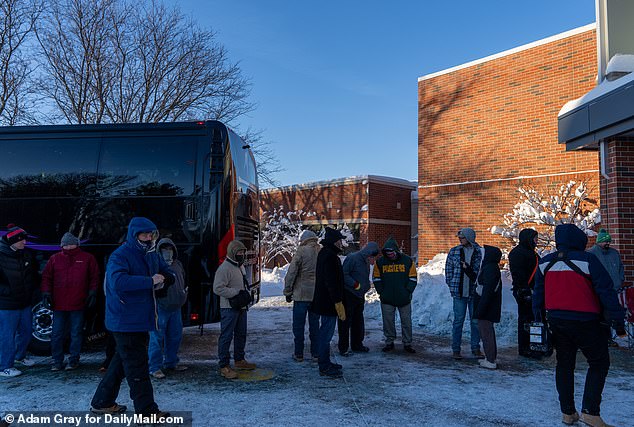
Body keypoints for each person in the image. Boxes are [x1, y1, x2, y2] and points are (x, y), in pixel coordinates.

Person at [533, 224, 626, 427]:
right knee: (599, 363)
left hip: (557, 321)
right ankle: (590, 412)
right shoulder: (588, 260)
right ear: (579, 240)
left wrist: (538, 319)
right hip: (587, 322)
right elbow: (606, 291)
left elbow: (538, 295)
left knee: (564, 365)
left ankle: (568, 412)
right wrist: (618, 321)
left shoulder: (545, 262)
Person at [91, 217, 174, 416]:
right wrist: (149, 281)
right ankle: (147, 412)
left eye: (151, 234)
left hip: (140, 318)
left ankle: (102, 402)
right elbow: (118, 282)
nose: (148, 238)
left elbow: (167, 271)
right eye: (144, 234)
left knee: (121, 362)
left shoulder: (152, 254)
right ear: (134, 235)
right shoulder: (120, 255)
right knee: (137, 367)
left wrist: (165, 280)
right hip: (124, 320)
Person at [41, 232, 99, 371]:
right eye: (65, 244)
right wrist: (46, 293)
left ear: (77, 244)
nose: (68, 247)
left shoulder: (87, 258)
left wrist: (92, 292)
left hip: (78, 302)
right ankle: (57, 360)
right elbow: (46, 277)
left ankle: (73, 359)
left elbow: (94, 276)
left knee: (76, 332)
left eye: (70, 244)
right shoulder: (54, 259)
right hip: (59, 303)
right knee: (57, 334)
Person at [213, 240, 256, 379]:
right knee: (226, 336)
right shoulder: (224, 268)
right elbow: (217, 288)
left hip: (241, 306)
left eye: (243, 252)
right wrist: (236, 292)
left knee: (240, 334)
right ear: (232, 252)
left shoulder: (239, 266)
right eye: (239, 252)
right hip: (229, 307)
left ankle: (239, 360)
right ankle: (224, 365)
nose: (241, 254)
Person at [0, 225, 39, 378]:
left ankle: (19, 356)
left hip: (24, 302)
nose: (25, 242)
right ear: (14, 241)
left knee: (26, 331)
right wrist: (8, 291)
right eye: (22, 240)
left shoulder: (24, 255)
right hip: (7, 304)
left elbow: (31, 276)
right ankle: (4, 366)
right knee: (6, 336)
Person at [148, 238, 188, 379]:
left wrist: (183, 293)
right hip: (161, 307)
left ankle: (171, 362)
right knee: (157, 338)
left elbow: (183, 279)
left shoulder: (178, 264)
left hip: (176, 307)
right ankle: (154, 367)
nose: (168, 252)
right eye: (165, 249)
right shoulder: (156, 265)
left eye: (170, 248)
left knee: (175, 336)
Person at [310, 227, 347, 378]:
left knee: (325, 333)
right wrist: (337, 301)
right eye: (339, 240)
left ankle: (325, 362)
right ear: (334, 241)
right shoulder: (330, 257)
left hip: (323, 301)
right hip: (328, 303)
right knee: (326, 334)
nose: (341, 243)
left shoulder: (324, 254)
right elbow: (331, 282)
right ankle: (324, 365)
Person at [372, 238, 417, 353]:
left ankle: (407, 343)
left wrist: (407, 291)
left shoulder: (407, 261)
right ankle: (389, 342)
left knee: (406, 321)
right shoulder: (380, 262)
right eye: (387, 252)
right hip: (387, 298)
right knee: (388, 322)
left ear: (396, 251)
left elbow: (413, 278)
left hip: (404, 298)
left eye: (391, 252)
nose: (390, 255)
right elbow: (376, 278)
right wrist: (381, 291)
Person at [445, 228, 484, 360]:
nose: (460, 240)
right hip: (458, 292)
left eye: (462, 237)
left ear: (469, 238)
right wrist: (451, 285)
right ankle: (456, 349)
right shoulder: (454, 251)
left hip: (474, 292)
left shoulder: (479, 252)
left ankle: (476, 348)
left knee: (475, 322)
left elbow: (480, 271)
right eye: (459, 238)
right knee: (458, 321)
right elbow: (448, 269)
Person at [283, 230, 321, 362]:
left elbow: (292, 273)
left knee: (298, 326)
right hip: (316, 295)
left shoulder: (302, 251)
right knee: (315, 325)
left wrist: (288, 291)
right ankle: (315, 353)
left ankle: (299, 353)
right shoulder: (320, 251)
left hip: (301, 295)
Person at [338, 241, 379, 356]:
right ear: (369, 253)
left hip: (359, 296)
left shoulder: (365, 261)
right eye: (373, 256)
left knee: (358, 321)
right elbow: (344, 274)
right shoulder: (353, 258)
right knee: (345, 322)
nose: (373, 259)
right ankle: (343, 347)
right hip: (349, 294)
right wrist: (355, 284)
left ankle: (357, 344)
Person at [508, 228, 542, 358]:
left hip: (533, 291)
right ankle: (525, 347)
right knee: (525, 320)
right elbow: (518, 274)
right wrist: (524, 290)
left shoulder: (531, 253)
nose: (536, 241)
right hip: (525, 291)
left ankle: (534, 345)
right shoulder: (518, 253)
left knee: (534, 319)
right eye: (534, 238)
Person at [473, 245, 503, 369]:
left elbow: (487, 291)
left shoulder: (490, 268)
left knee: (486, 333)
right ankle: (489, 357)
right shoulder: (491, 267)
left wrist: (480, 308)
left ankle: (490, 360)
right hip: (488, 306)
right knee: (487, 332)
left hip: (487, 307)